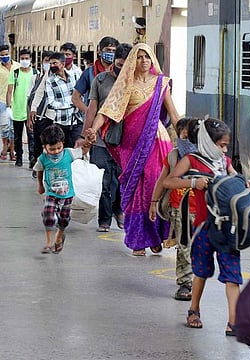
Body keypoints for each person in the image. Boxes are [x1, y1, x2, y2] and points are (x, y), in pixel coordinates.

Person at [162, 117, 250, 335]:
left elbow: (235, 179)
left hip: (226, 228)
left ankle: (234, 321)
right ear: (207, 141)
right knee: (201, 271)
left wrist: (248, 185)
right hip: (203, 227)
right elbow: (170, 181)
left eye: (226, 145)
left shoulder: (224, 163)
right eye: (221, 145)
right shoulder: (191, 160)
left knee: (232, 275)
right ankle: (193, 309)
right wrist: (193, 183)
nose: (225, 150)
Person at [87, 43, 180, 256]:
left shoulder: (161, 84)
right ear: (132, 62)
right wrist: (93, 130)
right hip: (131, 144)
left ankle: (157, 237)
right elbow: (107, 111)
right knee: (136, 189)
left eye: (147, 57)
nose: (144, 61)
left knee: (155, 186)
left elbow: (173, 115)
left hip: (157, 141)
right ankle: (139, 240)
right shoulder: (125, 84)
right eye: (139, 57)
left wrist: (187, 140)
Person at [75, 43, 131, 233]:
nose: (121, 69)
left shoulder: (135, 82)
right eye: (119, 64)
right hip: (101, 140)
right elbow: (92, 109)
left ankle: (119, 210)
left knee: (121, 179)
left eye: (126, 65)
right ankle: (104, 219)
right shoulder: (100, 80)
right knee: (104, 181)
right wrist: (86, 135)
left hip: (125, 141)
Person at [149, 117, 198, 300]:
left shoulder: (207, 157)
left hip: (202, 210)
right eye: (183, 135)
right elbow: (163, 180)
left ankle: (195, 279)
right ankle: (185, 282)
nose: (186, 140)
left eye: (190, 135)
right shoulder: (173, 156)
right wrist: (154, 202)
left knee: (198, 248)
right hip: (180, 208)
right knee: (184, 246)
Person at [34, 124, 94, 254]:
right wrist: (40, 186)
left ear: (63, 144)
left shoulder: (69, 153)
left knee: (64, 219)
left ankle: (59, 237)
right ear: (45, 147)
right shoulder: (43, 159)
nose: (56, 151)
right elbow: (39, 170)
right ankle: (49, 242)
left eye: (58, 148)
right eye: (52, 149)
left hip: (67, 195)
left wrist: (88, 141)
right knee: (48, 214)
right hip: (51, 193)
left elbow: (84, 151)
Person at [6, 49, 38, 167]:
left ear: (31, 60)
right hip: (17, 110)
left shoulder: (35, 73)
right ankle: (19, 157)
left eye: (27, 58)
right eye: (22, 58)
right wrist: (8, 107)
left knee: (32, 136)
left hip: (30, 111)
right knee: (17, 136)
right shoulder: (15, 73)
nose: (25, 61)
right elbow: (10, 91)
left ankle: (32, 158)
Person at [71, 36, 119, 112]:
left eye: (114, 51)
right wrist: (89, 113)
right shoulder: (89, 73)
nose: (111, 53)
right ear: (99, 52)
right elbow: (75, 98)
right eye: (108, 50)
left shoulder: (119, 72)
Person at [45, 52, 80, 148]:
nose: (52, 66)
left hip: (76, 120)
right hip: (61, 122)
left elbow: (81, 93)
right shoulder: (50, 81)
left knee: (76, 148)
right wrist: (70, 104)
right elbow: (51, 102)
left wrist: (79, 104)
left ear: (63, 64)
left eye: (55, 63)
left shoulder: (75, 76)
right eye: (50, 64)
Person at [28, 50, 55, 173]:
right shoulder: (42, 76)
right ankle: (38, 167)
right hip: (41, 115)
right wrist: (32, 110)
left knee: (53, 142)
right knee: (40, 142)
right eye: (46, 61)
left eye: (51, 61)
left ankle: (49, 167)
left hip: (54, 115)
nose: (49, 64)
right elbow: (37, 94)